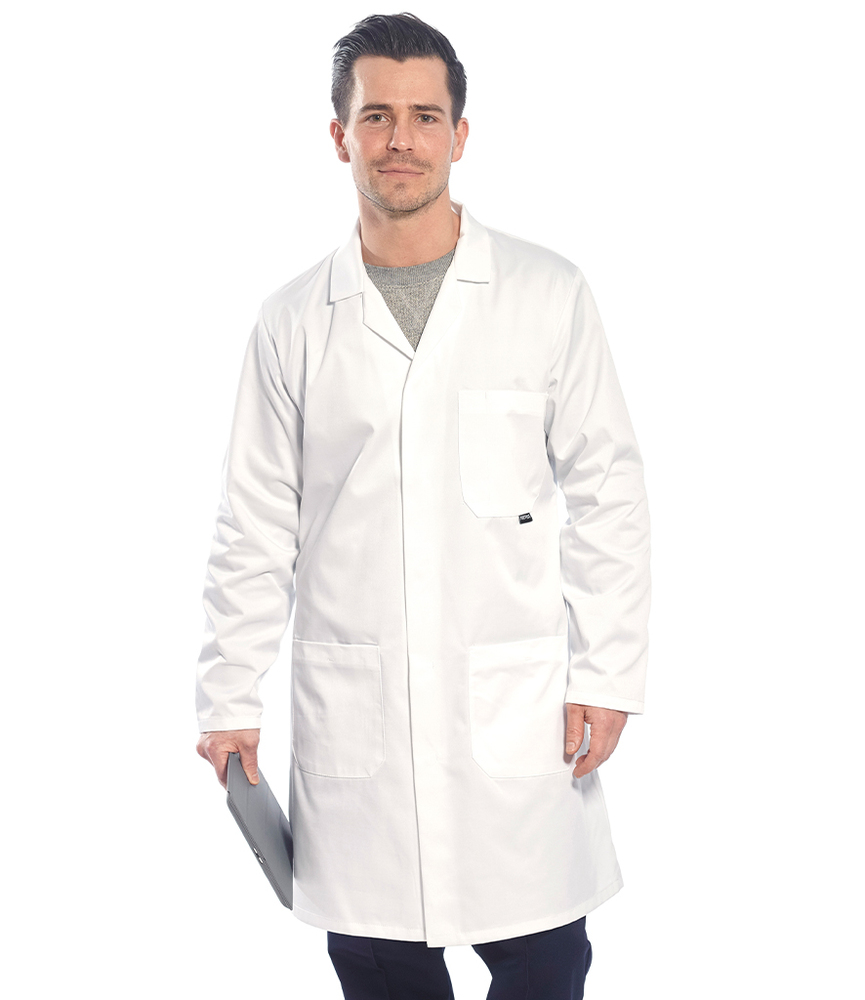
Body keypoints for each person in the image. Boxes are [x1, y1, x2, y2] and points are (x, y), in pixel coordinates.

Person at [195, 12, 650, 1000]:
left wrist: (608, 672)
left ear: (460, 134)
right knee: (377, 963)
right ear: (339, 135)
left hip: (514, 715)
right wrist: (228, 695)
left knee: (543, 957)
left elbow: (608, 490)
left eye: (424, 116)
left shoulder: (546, 293)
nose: (400, 138)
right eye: (377, 116)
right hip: (358, 715)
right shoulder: (291, 321)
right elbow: (254, 521)